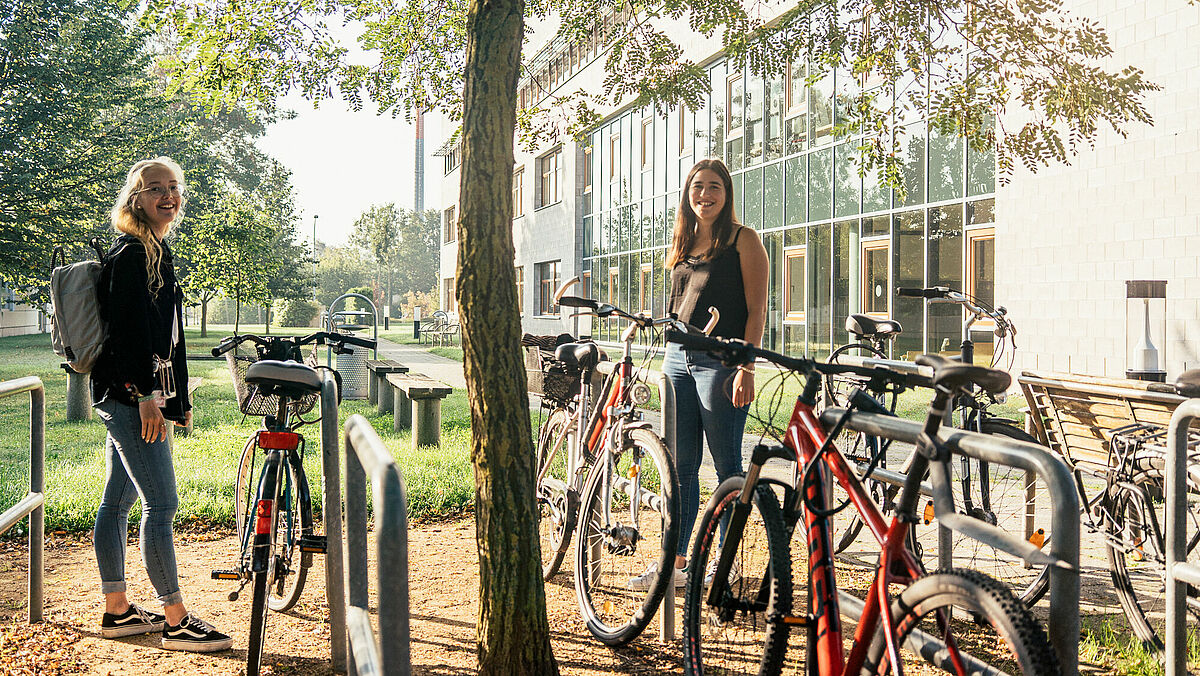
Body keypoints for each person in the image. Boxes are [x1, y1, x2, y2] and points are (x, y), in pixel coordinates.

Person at [90, 157, 232, 652]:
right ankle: (176, 619)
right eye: (156, 189)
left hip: (135, 396)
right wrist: (149, 398)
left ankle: (119, 611)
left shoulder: (156, 249)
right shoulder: (131, 254)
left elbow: (167, 336)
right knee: (162, 503)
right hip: (131, 398)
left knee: (118, 501)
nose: (167, 196)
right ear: (136, 198)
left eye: (174, 187)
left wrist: (180, 399)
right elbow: (129, 337)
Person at [628, 158, 768, 590]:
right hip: (677, 360)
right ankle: (677, 564)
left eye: (714, 188)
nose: (705, 195)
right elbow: (682, 303)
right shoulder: (683, 242)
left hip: (721, 364)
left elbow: (757, 308)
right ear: (688, 196)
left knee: (726, 464)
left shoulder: (744, 241)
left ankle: (725, 568)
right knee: (681, 467)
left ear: (726, 195)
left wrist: (746, 365)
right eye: (697, 188)